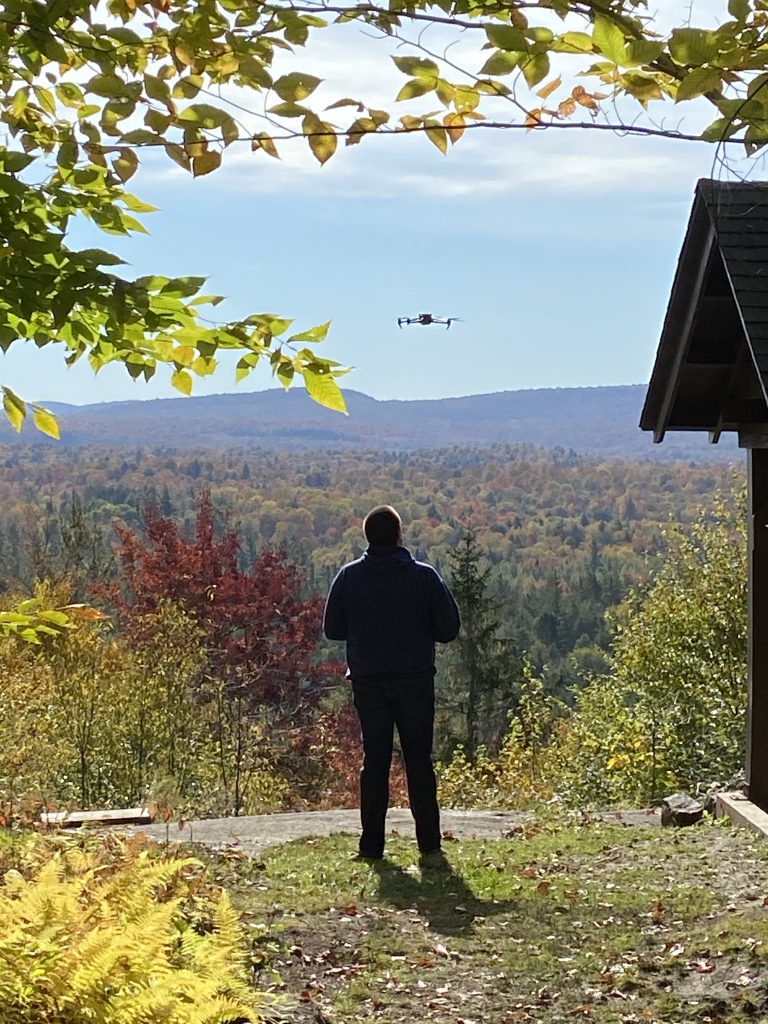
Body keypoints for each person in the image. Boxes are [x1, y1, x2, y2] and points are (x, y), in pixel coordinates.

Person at [323, 504, 461, 861]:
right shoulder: (424, 577)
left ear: (368, 537)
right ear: (399, 535)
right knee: (419, 761)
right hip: (415, 678)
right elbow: (449, 630)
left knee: (375, 762)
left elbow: (333, 629)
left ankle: (371, 847)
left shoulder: (349, 577)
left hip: (369, 680)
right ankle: (429, 843)